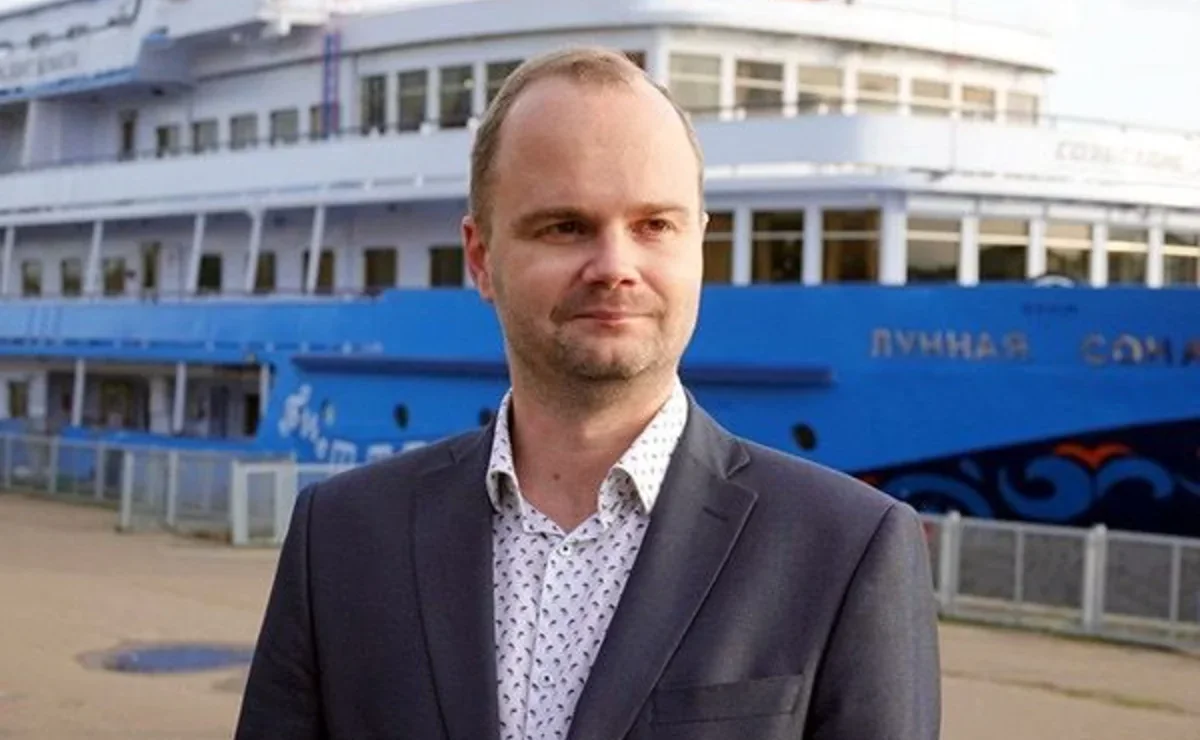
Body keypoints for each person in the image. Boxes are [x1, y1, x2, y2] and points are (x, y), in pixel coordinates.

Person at [234, 46, 941, 740]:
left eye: (654, 226)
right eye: (566, 227)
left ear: (698, 244)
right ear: (481, 257)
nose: (614, 267)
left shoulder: (846, 550)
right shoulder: (342, 537)